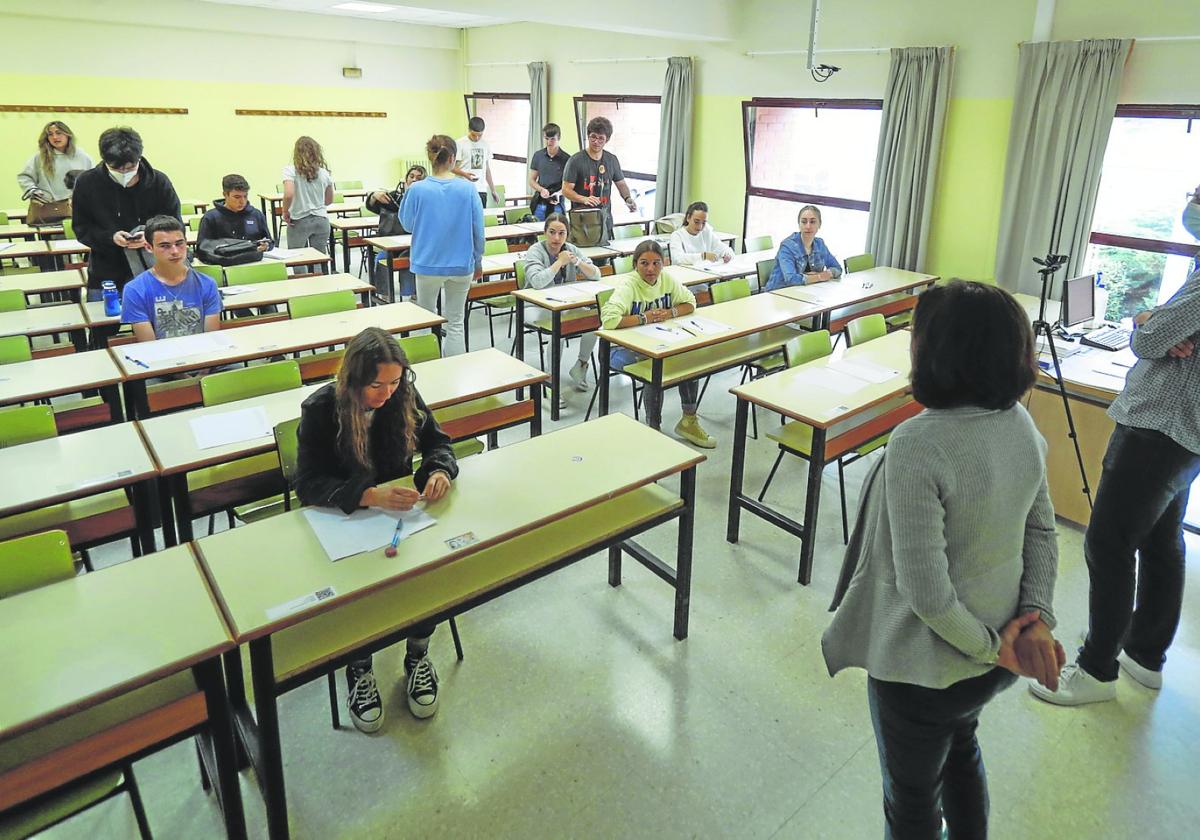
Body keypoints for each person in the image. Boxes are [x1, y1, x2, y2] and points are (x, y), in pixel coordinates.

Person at [822, 280, 1064, 839]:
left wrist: (993, 649)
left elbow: (925, 593)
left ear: (938, 354)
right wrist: (1036, 619)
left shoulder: (917, 442)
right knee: (960, 748)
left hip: (925, 670)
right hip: (990, 658)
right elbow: (1043, 529)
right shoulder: (1019, 423)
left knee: (909, 803)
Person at [1031, 260, 1200, 706]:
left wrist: (1148, 323)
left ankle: (1096, 668)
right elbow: (1163, 331)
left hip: (1157, 429)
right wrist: (1158, 326)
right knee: (1163, 541)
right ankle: (1144, 654)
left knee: (1109, 545)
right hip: (1187, 435)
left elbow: (1147, 338)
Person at [295, 327, 457, 731]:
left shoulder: (402, 394)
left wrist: (438, 470)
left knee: (422, 575)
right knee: (361, 590)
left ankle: (418, 652)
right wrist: (367, 495)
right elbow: (307, 484)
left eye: (395, 381)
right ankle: (360, 665)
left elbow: (438, 442)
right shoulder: (320, 409)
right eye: (375, 385)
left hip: (399, 519)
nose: (386, 393)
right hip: (346, 521)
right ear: (352, 380)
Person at [599, 240, 716, 448]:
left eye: (656, 263)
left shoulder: (666, 279)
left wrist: (670, 313)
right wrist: (644, 318)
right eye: (644, 263)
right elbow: (608, 320)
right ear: (635, 264)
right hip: (618, 350)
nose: (650, 269)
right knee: (655, 366)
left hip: (657, 339)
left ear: (664, 263)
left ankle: (689, 420)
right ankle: (653, 428)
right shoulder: (629, 285)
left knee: (686, 358)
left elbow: (690, 302)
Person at [72, 126, 181, 348]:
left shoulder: (159, 182)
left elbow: (175, 223)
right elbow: (81, 228)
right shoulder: (87, 183)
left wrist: (151, 236)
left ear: (139, 157)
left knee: (159, 329)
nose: (124, 172)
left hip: (153, 270)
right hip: (107, 272)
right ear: (104, 161)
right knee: (103, 333)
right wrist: (109, 237)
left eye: (130, 166)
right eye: (116, 167)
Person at [400, 135, 485, 357]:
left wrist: (408, 193)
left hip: (427, 264)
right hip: (461, 265)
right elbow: (479, 230)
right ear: (453, 159)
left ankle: (429, 367)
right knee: (456, 322)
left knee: (427, 320)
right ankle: (453, 373)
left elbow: (407, 225)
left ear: (430, 158)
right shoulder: (468, 189)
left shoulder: (417, 190)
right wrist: (478, 260)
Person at [524, 213, 603, 399]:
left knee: (594, 320)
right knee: (558, 328)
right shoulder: (536, 251)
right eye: (552, 232)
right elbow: (536, 282)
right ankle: (552, 380)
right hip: (534, 306)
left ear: (567, 234)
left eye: (562, 233)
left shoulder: (571, 249)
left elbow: (596, 274)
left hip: (564, 303)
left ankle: (581, 365)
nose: (556, 238)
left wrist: (577, 261)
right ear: (544, 233)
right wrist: (559, 262)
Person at [121, 215, 221, 341]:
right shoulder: (134, 289)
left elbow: (211, 339)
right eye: (165, 246)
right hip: (161, 357)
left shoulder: (207, 284)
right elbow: (149, 345)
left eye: (179, 244)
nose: (175, 251)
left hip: (202, 355)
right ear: (148, 247)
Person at [562, 116, 639, 244]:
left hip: (605, 220)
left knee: (605, 260)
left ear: (607, 140)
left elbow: (621, 184)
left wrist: (628, 198)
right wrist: (584, 199)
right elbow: (566, 190)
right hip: (582, 223)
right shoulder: (575, 160)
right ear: (588, 136)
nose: (596, 142)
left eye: (601, 138)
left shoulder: (612, 160)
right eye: (593, 137)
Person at [366, 165, 427, 301]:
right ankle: (385, 295)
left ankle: (411, 292)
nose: (414, 180)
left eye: (419, 178)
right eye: (411, 177)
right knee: (381, 260)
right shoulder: (392, 197)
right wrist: (373, 196)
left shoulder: (424, 200)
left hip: (411, 245)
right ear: (406, 179)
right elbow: (372, 206)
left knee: (408, 259)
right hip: (388, 243)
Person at [282, 136, 333, 274]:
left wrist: (285, 211)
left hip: (299, 220)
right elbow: (328, 200)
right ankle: (321, 285)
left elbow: (288, 194)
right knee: (319, 257)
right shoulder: (324, 173)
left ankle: (304, 288)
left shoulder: (290, 170)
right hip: (321, 220)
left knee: (298, 257)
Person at [764, 205, 843, 291]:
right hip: (779, 292)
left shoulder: (820, 244)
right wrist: (819, 276)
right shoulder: (787, 246)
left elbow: (837, 268)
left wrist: (814, 277)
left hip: (806, 291)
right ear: (799, 224)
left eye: (812, 222)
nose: (808, 226)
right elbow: (791, 279)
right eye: (804, 222)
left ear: (819, 224)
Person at [17, 120, 93, 205]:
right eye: (50, 134)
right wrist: (34, 191)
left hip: (77, 205)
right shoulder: (39, 157)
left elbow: (93, 180)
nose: (55, 137)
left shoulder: (82, 156)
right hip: (47, 207)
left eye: (58, 133)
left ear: (67, 135)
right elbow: (24, 177)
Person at [196, 174, 273, 253]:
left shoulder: (256, 215)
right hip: (225, 263)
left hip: (254, 260)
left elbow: (269, 241)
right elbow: (202, 248)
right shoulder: (211, 217)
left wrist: (266, 246)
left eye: (245, 196)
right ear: (225, 195)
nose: (242, 201)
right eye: (237, 197)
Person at [668, 201, 734, 266]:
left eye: (704, 223)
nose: (700, 227)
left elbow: (723, 248)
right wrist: (703, 256)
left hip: (705, 272)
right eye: (696, 222)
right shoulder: (677, 235)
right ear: (688, 218)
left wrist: (727, 254)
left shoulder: (706, 232)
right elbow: (677, 259)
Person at [528, 123, 570, 221]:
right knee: (536, 233)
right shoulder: (538, 156)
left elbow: (569, 185)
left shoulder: (567, 159)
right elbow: (531, 180)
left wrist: (558, 193)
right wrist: (541, 190)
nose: (549, 142)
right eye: (546, 138)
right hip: (539, 203)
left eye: (552, 139)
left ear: (559, 138)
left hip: (557, 203)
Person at [452, 116, 497, 207]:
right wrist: (465, 175)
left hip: (480, 189)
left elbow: (487, 169)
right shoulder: (459, 143)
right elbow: (451, 167)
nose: (476, 138)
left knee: (480, 218)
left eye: (480, 135)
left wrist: (493, 190)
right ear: (469, 130)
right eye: (473, 135)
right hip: (462, 188)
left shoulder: (485, 144)